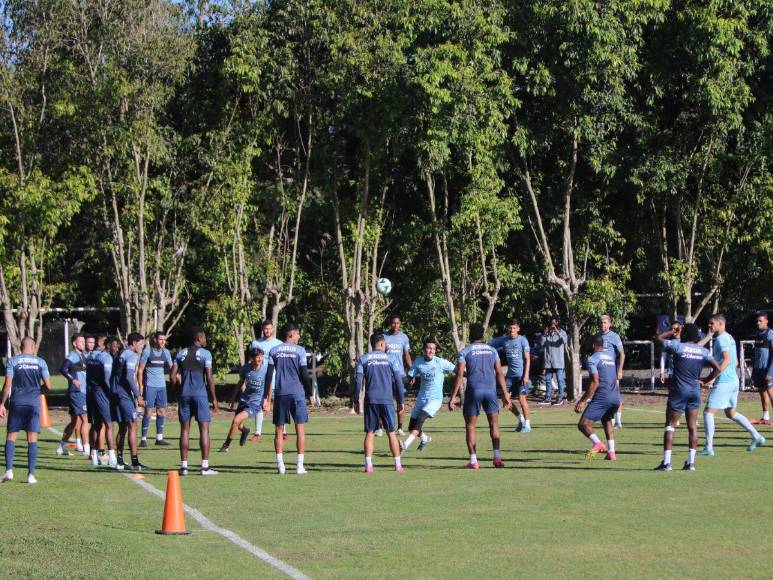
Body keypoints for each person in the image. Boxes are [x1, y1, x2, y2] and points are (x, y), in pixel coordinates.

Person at [654, 323, 720, 471]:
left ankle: (667, 463)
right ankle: (691, 463)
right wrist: (705, 380)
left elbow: (658, 338)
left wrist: (671, 331)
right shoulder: (703, 351)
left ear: (683, 334)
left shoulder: (678, 346)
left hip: (679, 391)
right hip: (694, 391)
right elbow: (717, 368)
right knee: (692, 426)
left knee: (670, 425)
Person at [700, 314, 765, 456]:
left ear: (720, 324)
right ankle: (757, 436)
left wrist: (711, 378)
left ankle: (708, 448)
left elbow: (727, 359)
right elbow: (734, 362)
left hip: (725, 382)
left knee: (708, 412)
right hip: (733, 380)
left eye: (712, 323)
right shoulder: (729, 337)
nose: (709, 326)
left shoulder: (721, 338)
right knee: (731, 413)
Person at [449, 323, 511, 469]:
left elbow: (459, 375)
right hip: (491, 391)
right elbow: (499, 372)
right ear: (483, 335)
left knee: (471, 426)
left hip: (474, 390)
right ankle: (497, 457)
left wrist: (453, 396)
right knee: (494, 424)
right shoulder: (492, 351)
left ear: (470, 335)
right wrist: (505, 394)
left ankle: (474, 461)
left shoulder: (465, 351)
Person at [263, 323, 313, 475]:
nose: (299, 336)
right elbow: (304, 374)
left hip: (281, 393)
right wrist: (310, 393)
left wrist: (265, 397)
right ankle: (299, 466)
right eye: (298, 333)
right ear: (291, 334)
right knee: (300, 429)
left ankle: (280, 466)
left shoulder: (274, 350)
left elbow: (268, 375)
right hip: (297, 393)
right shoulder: (300, 351)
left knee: (279, 429)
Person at [1, 337, 52, 484]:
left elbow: (7, 385)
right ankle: (30, 475)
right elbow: (49, 386)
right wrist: (38, 390)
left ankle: (9, 471)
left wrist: (2, 403)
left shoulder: (13, 361)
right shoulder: (41, 362)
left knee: (11, 436)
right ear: (33, 346)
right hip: (33, 404)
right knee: (32, 439)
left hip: (17, 403)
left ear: (21, 347)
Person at [171, 328, 219, 476]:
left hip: (184, 395)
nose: (205, 340)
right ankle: (204, 467)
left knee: (184, 430)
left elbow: (172, 376)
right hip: (200, 395)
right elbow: (209, 377)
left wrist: (178, 392)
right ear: (199, 338)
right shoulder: (206, 354)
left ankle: (184, 467)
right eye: (204, 337)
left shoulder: (180, 353)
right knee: (204, 429)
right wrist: (214, 398)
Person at [355, 333, 405, 472]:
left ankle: (368, 465)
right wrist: (401, 400)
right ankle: (397, 465)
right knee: (391, 432)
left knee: (370, 432)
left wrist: (356, 400)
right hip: (387, 400)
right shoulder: (391, 358)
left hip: (371, 400)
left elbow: (358, 381)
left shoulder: (363, 359)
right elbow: (398, 381)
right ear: (382, 344)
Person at [401, 338, 455, 452]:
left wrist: (471, 374)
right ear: (424, 349)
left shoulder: (440, 362)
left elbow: (458, 370)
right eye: (429, 348)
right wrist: (395, 380)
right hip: (421, 398)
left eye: (433, 349)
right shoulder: (418, 362)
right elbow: (408, 378)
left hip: (435, 399)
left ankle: (405, 444)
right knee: (412, 427)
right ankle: (425, 439)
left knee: (421, 418)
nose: (431, 351)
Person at [574, 336, 620, 461]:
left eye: (589, 343)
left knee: (583, 424)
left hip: (603, 396)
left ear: (594, 345)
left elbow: (595, 382)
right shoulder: (610, 358)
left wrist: (582, 401)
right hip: (616, 396)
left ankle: (598, 444)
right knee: (606, 420)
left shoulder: (592, 359)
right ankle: (611, 453)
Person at [220, 347, 268, 452]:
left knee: (236, 420)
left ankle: (226, 445)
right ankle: (245, 430)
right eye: (257, 357)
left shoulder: (265, 369)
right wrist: (233, 397)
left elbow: (269, 385)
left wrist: (266, 401)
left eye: (261, 357)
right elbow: (241, 382)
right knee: (238, 424)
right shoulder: (245, 368)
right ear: (251, 358)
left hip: (254, 403)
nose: (260, 359)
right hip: (244, 400)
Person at [112, 333, 147, 470]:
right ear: (134, 343)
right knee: (133, 425)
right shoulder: (131, 355)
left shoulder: (120, 353)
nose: (142, 347)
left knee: (122, 427)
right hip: (124, 395)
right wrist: (138, 395)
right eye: (141, 344)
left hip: (115, 394)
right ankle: (135, 462)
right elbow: (128, 376)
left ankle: (120, 460)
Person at [492, 319, 532, 432]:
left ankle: (527, 425)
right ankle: (520, 419)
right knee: (505, 399)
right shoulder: (505, 341)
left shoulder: (523, 340)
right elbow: (491, 344)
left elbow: (528, 359)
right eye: (510, 328)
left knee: (522, 399)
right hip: (510, 376)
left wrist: (526, 375)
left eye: (514, 328)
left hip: (521, 376)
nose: (512, 330)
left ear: (518, 329)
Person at [85, 334, 118, 468]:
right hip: (101, 393)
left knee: (95, 425)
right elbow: (106, 378)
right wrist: (112, 392)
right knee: (109, 424)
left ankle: (94, 456)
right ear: (105, 344)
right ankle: (112, 457)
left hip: (90, 392)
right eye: (113, 345)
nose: (115, 348)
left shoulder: (90, 356)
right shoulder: (106, 357)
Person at [249, 320, 283, 442]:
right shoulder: (256, 343)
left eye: (269, 328)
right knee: (259, 405)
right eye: (265, 328)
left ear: (273, 329)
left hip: (276, 379)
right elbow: (251, 361)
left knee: (280, 405)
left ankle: (283, 431)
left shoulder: (279, 344)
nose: (267, 331)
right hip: (261, 380)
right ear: (262, 329)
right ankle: (258, 432)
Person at [138, 331, 172, 447]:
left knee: (161, 411)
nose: (163, 342)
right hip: (150, 386)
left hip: (162, 386)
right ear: (155, 340)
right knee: (148, 411)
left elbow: (172, 368)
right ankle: (143, 439)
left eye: (164, 340)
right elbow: (140, 370)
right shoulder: (147, 352)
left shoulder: (166, 353)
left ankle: (159, 438)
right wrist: (141, 385)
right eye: (161, 339)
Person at [58, 333, 89, 457]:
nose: (83, 344)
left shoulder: (83, 356)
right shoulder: (72, 356)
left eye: (84, 341)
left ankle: (62, 446)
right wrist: (73, 380)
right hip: (77, 392)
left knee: (75, 422)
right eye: (81, 342)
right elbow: (62, 369)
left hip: (83, 392)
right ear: (75, 344)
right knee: (85, 418)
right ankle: (87, 449)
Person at [384, 314, 412, 435]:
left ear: (400, 324)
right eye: (393, 323)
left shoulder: (404, 337)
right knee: (386, 401)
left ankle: (400, 428)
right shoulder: (384, 337)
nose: (395, 325)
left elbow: (406, 355)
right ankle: (385, 426)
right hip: (387, 374)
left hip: (400, 374)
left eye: (398, 323)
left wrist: (411, 371)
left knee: (401, 401)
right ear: (390, 324)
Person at [595, 315, 625, 428]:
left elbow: (622, 354)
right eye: (601, 322)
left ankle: (618, 421)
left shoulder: (615, 336)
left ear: (609, 324)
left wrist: (620, 370)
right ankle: (609, 420)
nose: (603, 324)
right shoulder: (597, 336)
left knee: (615, 395)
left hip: (612, 370)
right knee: (603, 395)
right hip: (600, 371)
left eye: (605, 322)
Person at [751, 312, 773, 425]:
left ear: (766, 321)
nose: (758, 323)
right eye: (757, 321)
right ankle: (765, 417)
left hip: (767, 369)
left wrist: (770, 371)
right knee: (762, 393)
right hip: (758, 369)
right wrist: (755, 369)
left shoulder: (770, 334)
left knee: (771, 393)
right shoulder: (757, 334)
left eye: (760, 321)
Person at [542, 317, 568, 406]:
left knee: (560, 380)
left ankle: (560, 398)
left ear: (557, 323)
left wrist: (557, 332)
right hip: (548, 361)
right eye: (551, 323)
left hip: (558, 361)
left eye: (554, 323)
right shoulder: (547, 333)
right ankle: (548, 398)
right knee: (548, 380)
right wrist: (544, 335)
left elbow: (565, 341)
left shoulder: (562, 332)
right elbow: (542, 344)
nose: (552, 325)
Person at [659, 321, 683, 387]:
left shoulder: (685, 341)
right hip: (672, 373)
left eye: (675, 329)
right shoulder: (668, 342)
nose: (673, 331)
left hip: (683, 373)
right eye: (671, 329)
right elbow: (663, 358)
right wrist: (662, 372)